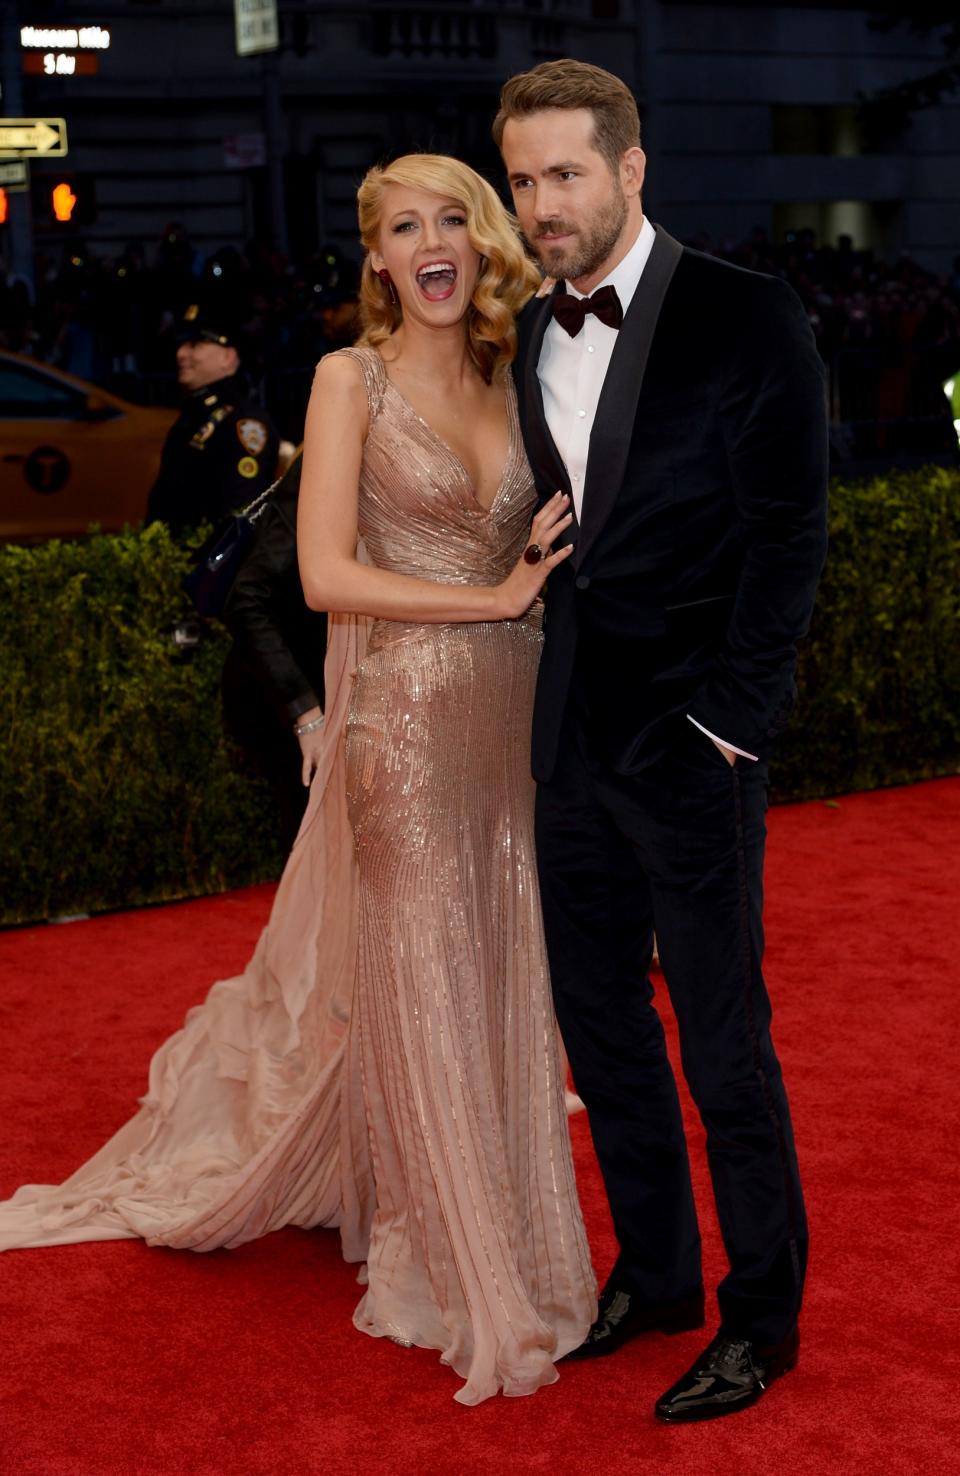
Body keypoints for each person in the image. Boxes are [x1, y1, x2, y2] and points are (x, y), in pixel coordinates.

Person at [0, 154, 596, 1408]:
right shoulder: (346, 381)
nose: (428, 241)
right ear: (375, 259)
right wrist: (487, 595)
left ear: (479, 241)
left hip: (508, 735)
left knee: (492, 978)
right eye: (399, 227)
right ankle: (459, 1266)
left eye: (448, 219)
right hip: (409, 733)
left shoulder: (515, 368)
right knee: (429, 980)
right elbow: (320, 573)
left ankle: (460, 1207)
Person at [495, 59, 829, 1422]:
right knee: (604, 1028)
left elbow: (791, 535)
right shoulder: (529, 333)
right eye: (522, 181)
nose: (540, 206)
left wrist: (730, 728)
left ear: (632, 170)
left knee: (722, 1039)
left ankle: (764, 1318)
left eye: (565, 174)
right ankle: (660, 1271)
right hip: (571, 734)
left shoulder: (749, 316)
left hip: (690, 746)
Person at [221, 450, 329, 857]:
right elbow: (247, 600)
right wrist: (306, 718)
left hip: (331, 686)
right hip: (284, 691)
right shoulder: (325, 459)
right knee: (309, 849)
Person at [146, 304, 279, 536]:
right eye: (182, 343)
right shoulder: (196, 413)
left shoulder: (243, 422)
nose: (181, 353)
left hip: (209, 565)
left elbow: (239, 514)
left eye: (195, 344)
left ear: (228, 357)